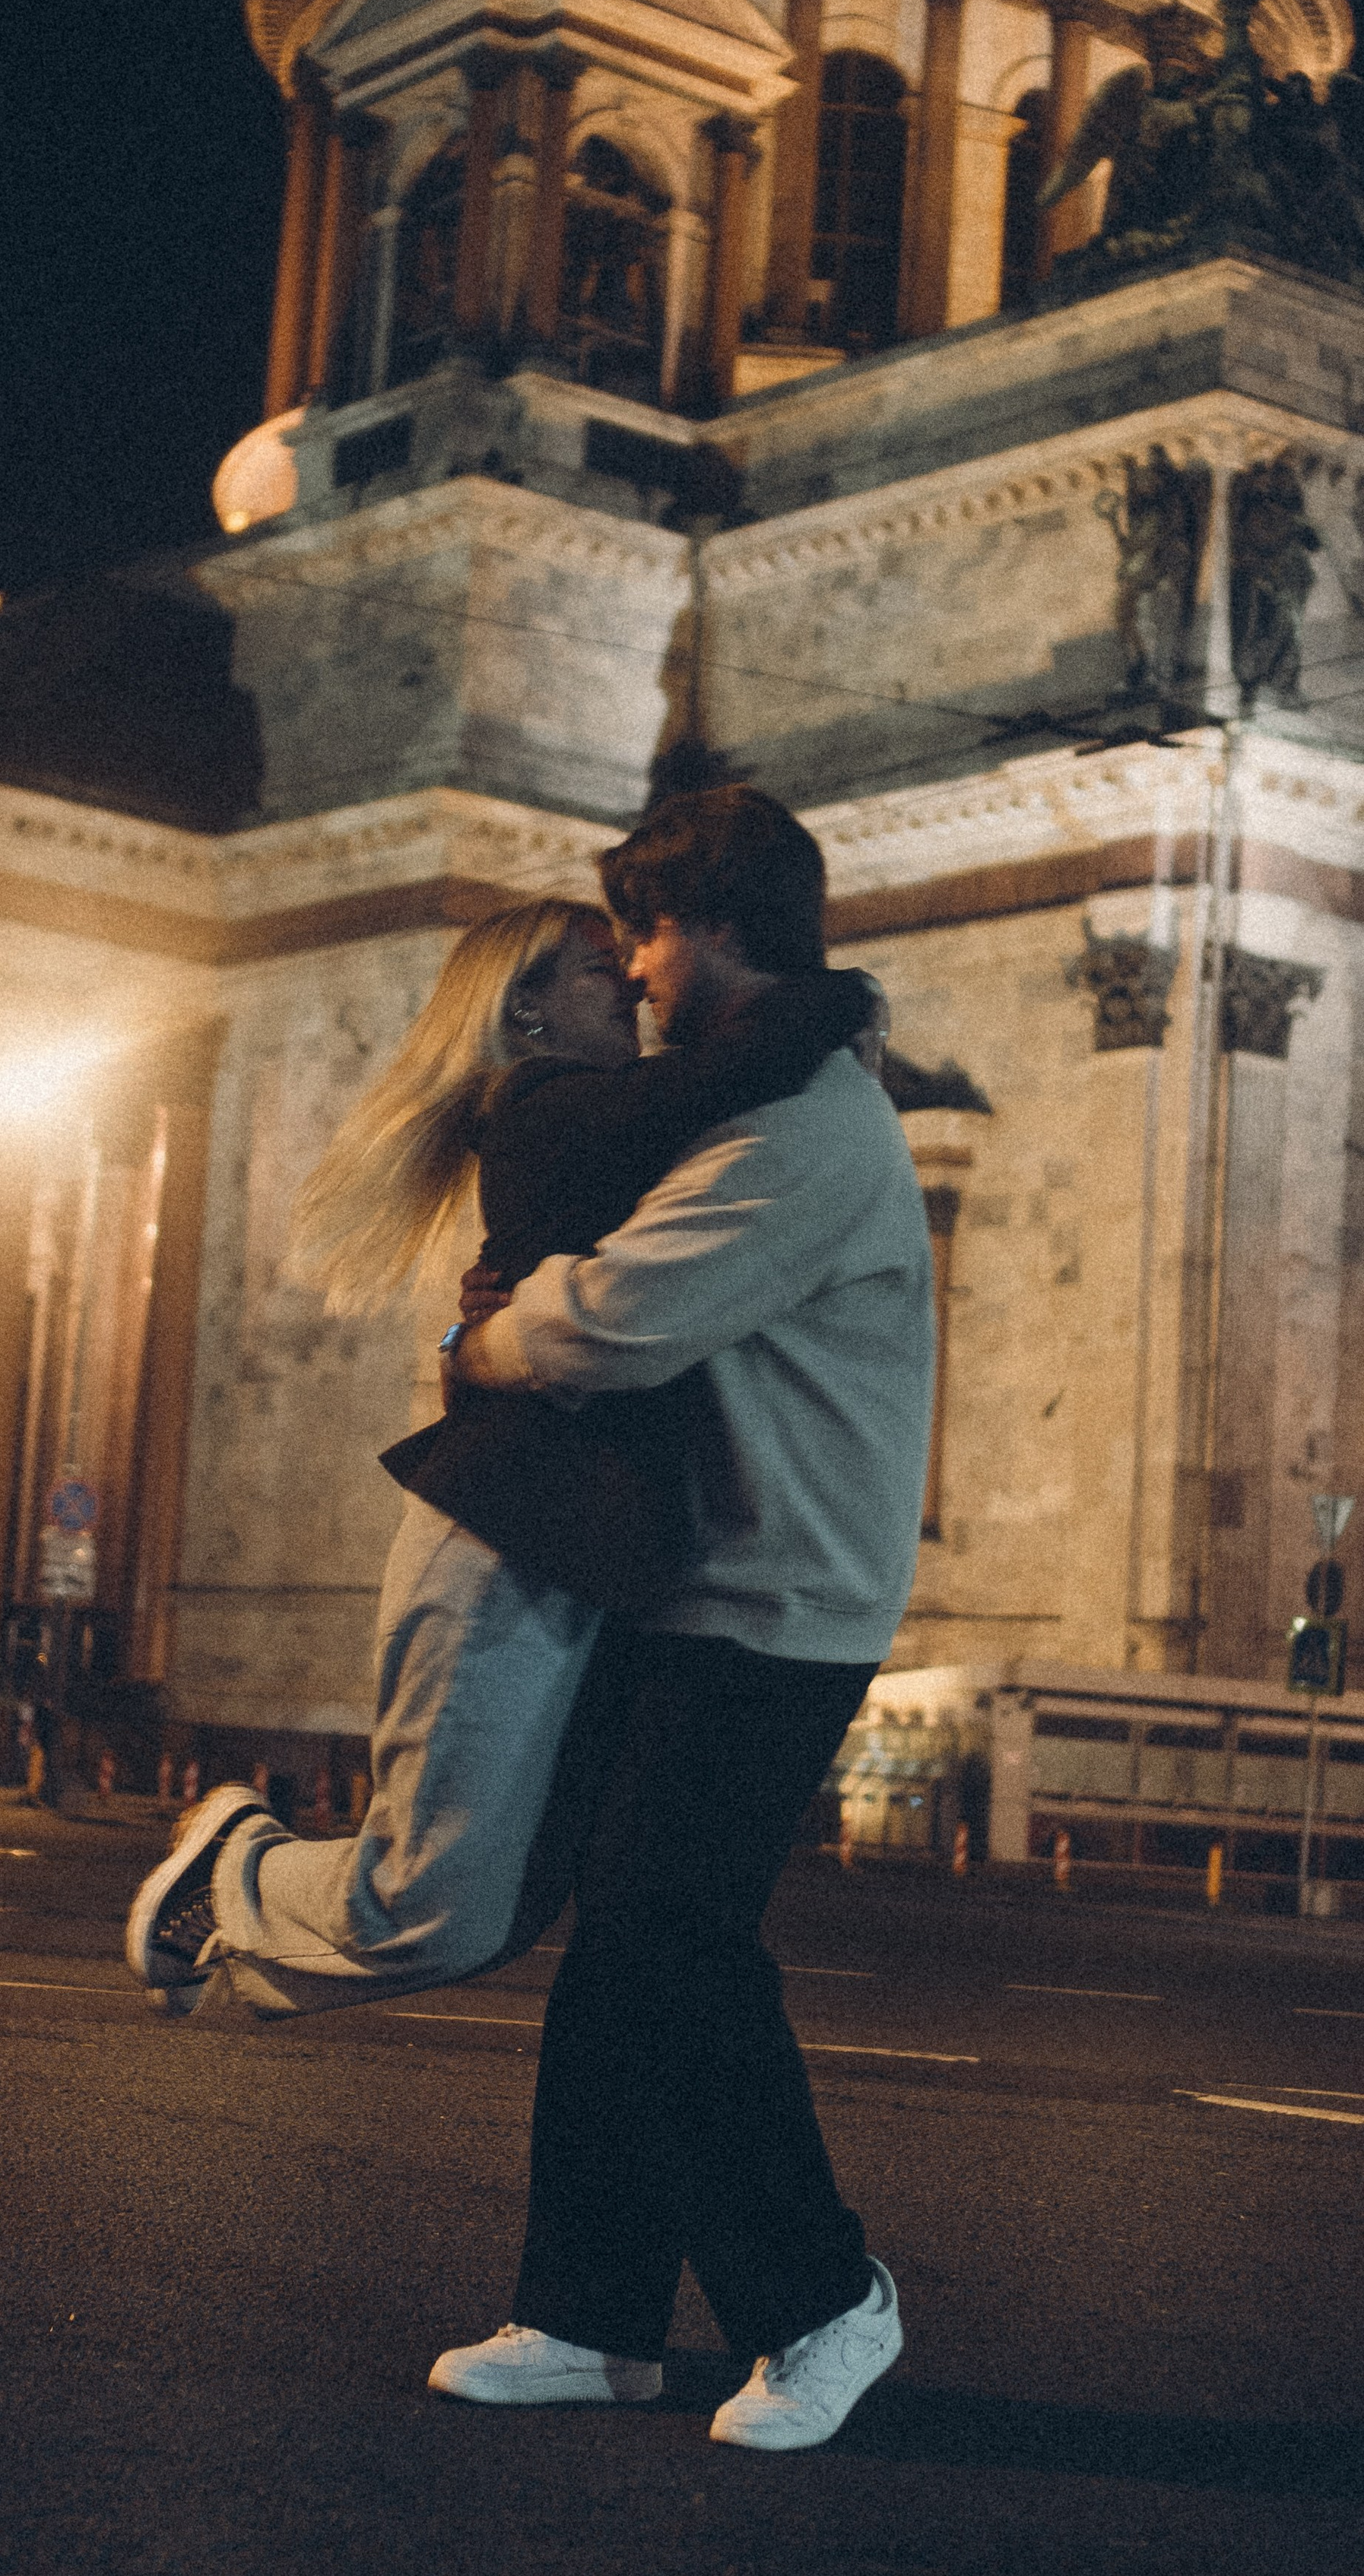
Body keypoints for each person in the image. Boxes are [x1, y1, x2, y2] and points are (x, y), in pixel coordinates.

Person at [426, 785, 936, 2452]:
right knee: (624, 1946)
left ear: (709, 925)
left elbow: (620, 1323)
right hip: (703, 1580)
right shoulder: (758, 1098)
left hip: (782, 1601)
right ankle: (590, 2317)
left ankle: (819, 2300)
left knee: (667, 1939)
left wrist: (492, 1339)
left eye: (639, 933)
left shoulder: (806, 1130)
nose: (632, 977)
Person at [125, 889, 874, 2021]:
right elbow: (719, 1082)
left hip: (604, 1557)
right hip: (506, 1534)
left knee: (497, 1916)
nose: (627, 979)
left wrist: (473, 1331)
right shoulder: (538, 1107)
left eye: (625, 958)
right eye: (591, 968)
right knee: (433, 1901)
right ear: (523, 1011)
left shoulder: (606, 1119)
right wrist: (836, 1003)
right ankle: (239, 1862)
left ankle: (234, 1921)